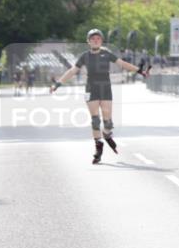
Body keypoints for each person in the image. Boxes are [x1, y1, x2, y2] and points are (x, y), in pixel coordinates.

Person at [50, 28, 148, 164]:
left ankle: (107, 135)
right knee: (95, 121)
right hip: (91, 90)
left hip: (105, 89)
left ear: (101, 41)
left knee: (108, 122)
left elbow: (122, 64)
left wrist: (140, 71)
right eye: (93, 39)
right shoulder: (85, 56)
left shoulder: (107, 54)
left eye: (98, 39)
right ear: (88, 41)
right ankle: (98, 148)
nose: (95, 41)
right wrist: (58, 84)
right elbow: (72, 71)